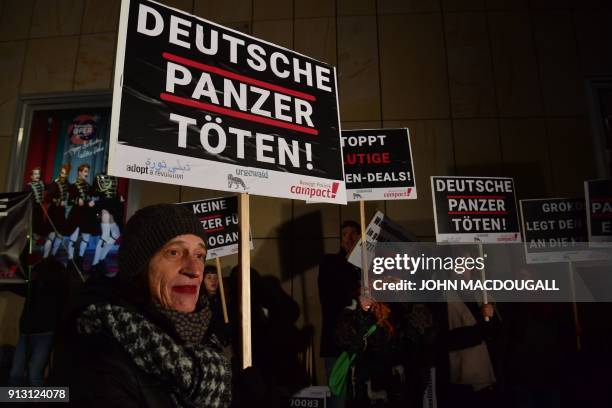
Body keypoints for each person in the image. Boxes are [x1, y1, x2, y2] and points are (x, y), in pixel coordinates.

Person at [51, 204, 232, 407]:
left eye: (199, 255)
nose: (195, 270)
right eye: (174, 252)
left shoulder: (206, 338)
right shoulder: (97, 358)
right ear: (139, 268)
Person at [318, 220, 361, 406]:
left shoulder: (369, 265)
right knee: (339, 397)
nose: (349, 238)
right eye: (345, 234)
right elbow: (329, 297)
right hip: (337, 343)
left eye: (353, 233)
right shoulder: (330, 262)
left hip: (363, 345)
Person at [7, 258, 65, 386]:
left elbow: (15, 285)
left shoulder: (50, 286)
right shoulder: (38, 286)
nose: (32, 273)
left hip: (42, 333)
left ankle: (30, 400)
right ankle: (20, 401)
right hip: (32, 332)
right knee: (19, 374)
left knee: (31, 375)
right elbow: (14, 286)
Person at [66, 164, 98, 269]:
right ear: (79, 172)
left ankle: (80, 258)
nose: (86, 173)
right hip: (77, 213)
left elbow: (89, 198)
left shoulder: (88, 186)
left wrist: (91, 202)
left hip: (86, 214)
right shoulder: (73, 186)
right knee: (74, 236)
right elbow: (70, 201)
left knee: (86, 237)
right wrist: (76, 200)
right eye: (85, 171)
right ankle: (70, 259)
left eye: (87, 171)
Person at [43, 164, 71, 258]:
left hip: (61, 212)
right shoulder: (55, 183)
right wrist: (59, 201)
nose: (63, 175)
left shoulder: (67, 184)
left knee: (60, 236)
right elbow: (48, 198)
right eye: (62, 172)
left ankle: (52, 256)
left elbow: (71, 195)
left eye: (65, 173)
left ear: (67, 174)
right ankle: (45, 258)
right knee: (51, 235)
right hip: (54, 211)